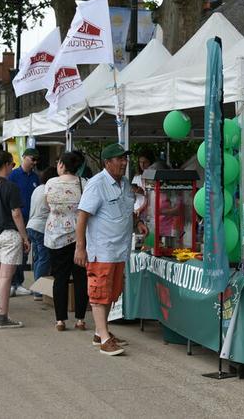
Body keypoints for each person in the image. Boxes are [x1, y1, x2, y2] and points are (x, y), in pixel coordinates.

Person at [75, 143, 147, 356]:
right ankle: (104, 338)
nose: (125, 163)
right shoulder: (96, 184)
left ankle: (100, 332)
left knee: (111, 294)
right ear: (108, 163)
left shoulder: (125, 183)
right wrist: (81, 247)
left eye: (125, 159)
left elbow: (127, 211)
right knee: (99, 293)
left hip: (120, 249)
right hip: (102, 249)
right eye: (120, 159)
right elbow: (82, 216)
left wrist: (138, 223)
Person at [0, 151, 31, 329]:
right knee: (5, 277)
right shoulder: (11, 187)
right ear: (7, 165)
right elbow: (16, 214)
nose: (13, 167)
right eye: (12, 164)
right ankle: (3, 316)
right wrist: (24, 237)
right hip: (9, 234)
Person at [45, 152, 89, 331]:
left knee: (60, 278)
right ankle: (80, 319)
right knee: (80, 278)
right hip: (79, 236)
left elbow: (48, 205)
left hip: (56, 235)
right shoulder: (83, 183)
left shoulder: (50, 183)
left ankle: (60, 320)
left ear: (62, 164)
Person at [8, 148, 40, 296]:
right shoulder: (13, 175)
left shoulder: (35, 177)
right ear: (24, 157)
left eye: (36, 160)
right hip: (15, 218)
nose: (34, 162)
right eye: (32, 159)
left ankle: (18, 282)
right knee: (13, 251)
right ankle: (10, 282)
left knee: (24, 251)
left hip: (29, 219)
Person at [27, 166, 57, 301]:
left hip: (31, 226)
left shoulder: (37, 189)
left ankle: (37, 288)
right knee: (44, 259)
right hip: (41, 227)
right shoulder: (48, 190)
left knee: (38, 258)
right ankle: (39, 291)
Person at [131, 150, 153, 219]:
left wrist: (143, 193)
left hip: (148, 211)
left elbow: (152, 197)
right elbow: (133, 198)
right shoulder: (137, 177)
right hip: (136, 209)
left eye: (145, 162)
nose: (142, 165)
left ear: (150, 162)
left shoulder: (152, 177)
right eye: (140, 162)